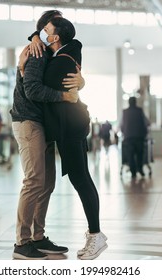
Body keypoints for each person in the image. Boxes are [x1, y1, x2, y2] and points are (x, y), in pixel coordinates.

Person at [10, 10, 84, 260]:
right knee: (34, 181)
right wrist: (64, 96)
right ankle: (22, 242)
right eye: (54, 25)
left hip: (43, 124)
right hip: (28, 121)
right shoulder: (36, 52)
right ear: (45, 31)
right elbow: (31, 90)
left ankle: (38, 237)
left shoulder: (48, 51)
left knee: (47, 183)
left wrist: (80, 82)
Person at [37, 16, 108, 260]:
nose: (41, 33)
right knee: (82, 178)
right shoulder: (68, 53)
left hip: (71, 128)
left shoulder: (59, 62)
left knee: (81, 180)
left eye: (46, 30)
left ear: (55, 38)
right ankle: (95, 234)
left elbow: (37, 87)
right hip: (73, 127)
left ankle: (96, 234)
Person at [120, 97, 149, 178]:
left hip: (128, 137)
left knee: (130, 155)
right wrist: (145, 133)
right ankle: (140, 169)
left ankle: (133, 172)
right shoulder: (140, 111)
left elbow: (122, 124)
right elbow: (145, 122)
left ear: (129, 103)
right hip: (139, 136)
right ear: (136, 102)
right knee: (140, 154)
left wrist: (124, 132)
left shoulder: (125, 112)